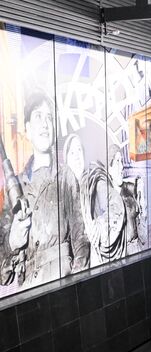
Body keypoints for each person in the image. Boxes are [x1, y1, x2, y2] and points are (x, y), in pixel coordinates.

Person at [0, 92, 89, 287]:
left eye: (49, 117)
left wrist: (77, 286)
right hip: (30, 293)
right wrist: (12, 243)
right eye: (38, 116)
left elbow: (81, 240)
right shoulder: (18, 189)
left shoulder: (66, 177)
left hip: (63, 284)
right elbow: (3, 276)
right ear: (28, 130)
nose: (45, 123)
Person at [82, 145, 147, 265]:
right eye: (117, 162)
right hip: (118, 259)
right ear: (108, 169)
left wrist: (143, 208)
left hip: (136, 252)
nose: (121, 167)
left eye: (122, 161)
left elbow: (143, 236)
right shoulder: (102, 199)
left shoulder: (131, 189)